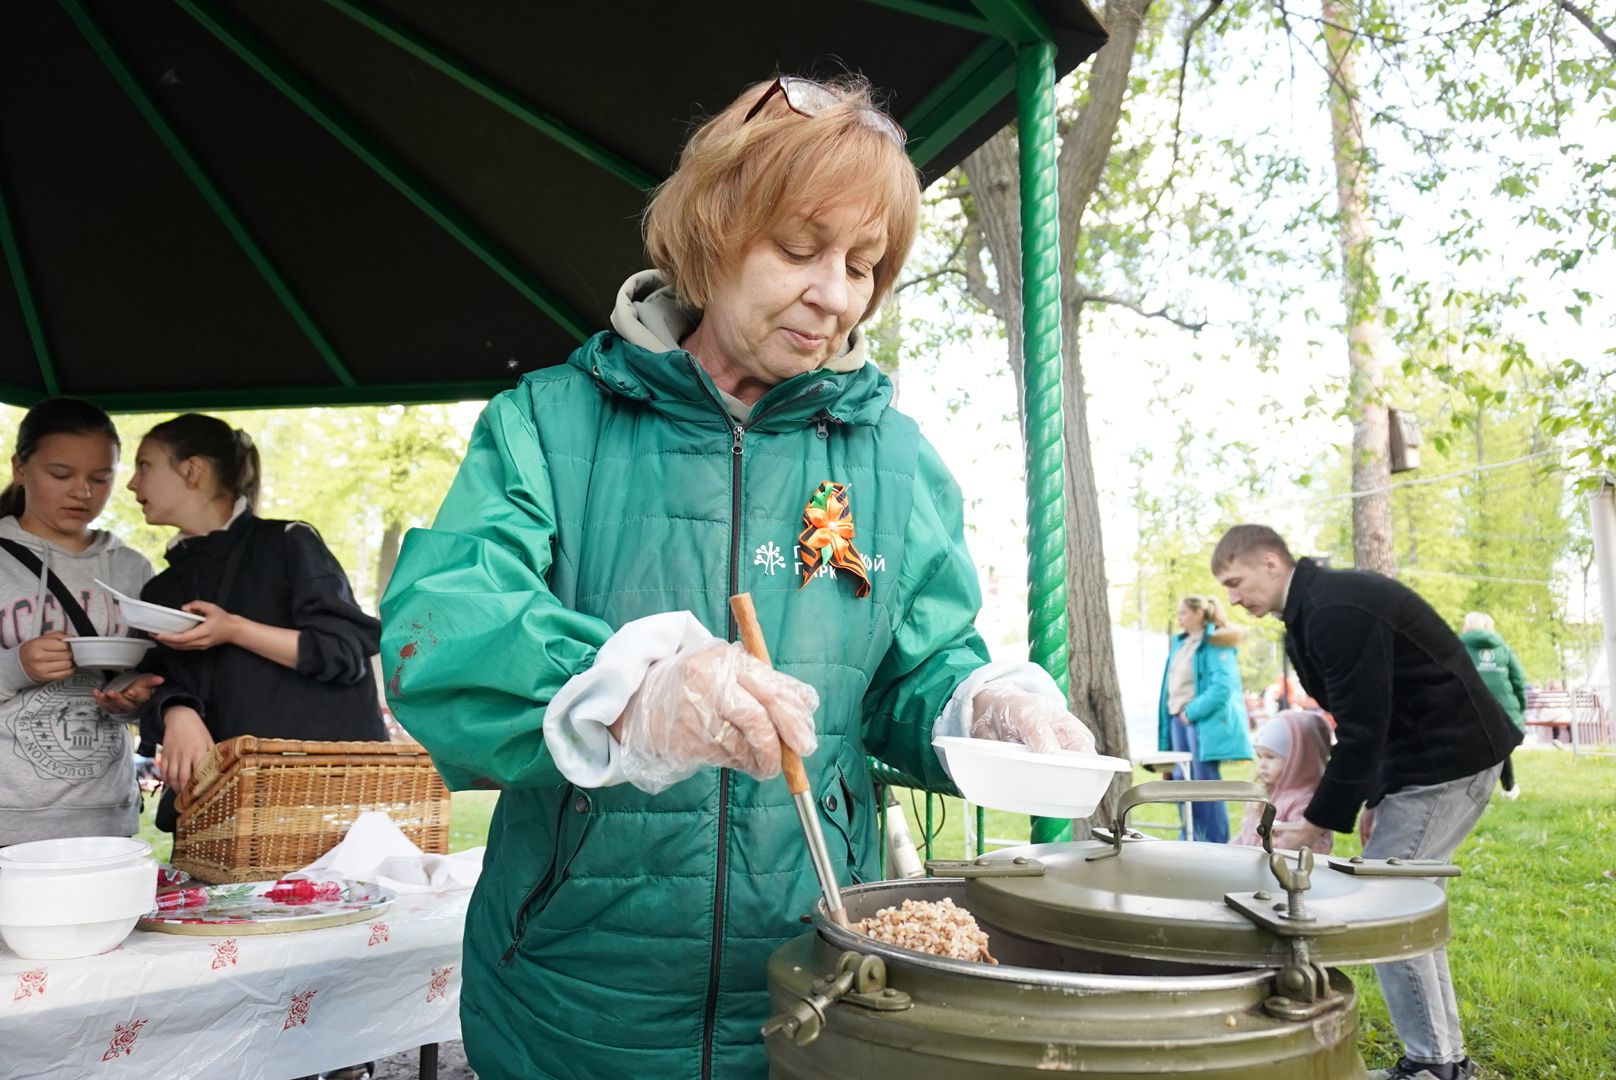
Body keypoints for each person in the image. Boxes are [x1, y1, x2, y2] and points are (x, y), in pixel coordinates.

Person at [380, 75, 1097, 1079]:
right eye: (799, 249)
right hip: (576, 1001)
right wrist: (630, 695)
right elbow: (442, 632)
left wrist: (980, 709)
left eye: (862, 265)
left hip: (819, 982)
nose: (833, 294)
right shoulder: (546, 422)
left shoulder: (894, 460)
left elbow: (911, 673)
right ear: (711, 233)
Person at [1212, 524, 1520, 1080]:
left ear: (1270, 563)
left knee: (1389, 904)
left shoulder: (1335, 609)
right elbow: (1376, 711)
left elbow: (1363, 728)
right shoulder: (1312, 611)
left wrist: (1315, 822)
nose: (1232, 598)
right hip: (1424, 761)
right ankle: (1442, 1061)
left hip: (1449, 760)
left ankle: (1435, 1066)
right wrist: (1378, 794)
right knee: (1410, 905)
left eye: (1235, 582)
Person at [128, 413, 388, 833]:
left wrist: (234, 629)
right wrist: (176, 710)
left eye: (144, 465)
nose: (131, 484)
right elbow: (157, 679)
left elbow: (342, 651)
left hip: (325, 806)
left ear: (192, 470)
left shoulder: (288, 543)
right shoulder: (161, 588)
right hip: (218, 813)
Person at [0, 398, 161, 846]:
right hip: (7, 816)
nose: (83, 492)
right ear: (20, 469)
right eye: (61, 475)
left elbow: (152, 674)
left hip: (107, 816)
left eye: (100, 478)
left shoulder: (132, 568)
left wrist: (134, 699)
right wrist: (17, 666)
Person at [1156, 595, 1254, 843]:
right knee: (1182, 780)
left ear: (1198, 614)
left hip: (1198, 722)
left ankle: (1214, 841)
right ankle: (1190, 836)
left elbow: (1222, 687)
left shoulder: (1216, 642)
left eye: (1183, 613)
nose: (1179, 618)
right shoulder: (1181, 643)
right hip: (1177, 718)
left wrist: (1192, 712)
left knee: (1204, 782)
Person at [1235, 709, 1333, 854]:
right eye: (1259, 756)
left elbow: (1311, 852)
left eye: (1270, 757)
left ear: (1298, 760)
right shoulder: (1263, 794)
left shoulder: (1304, 804)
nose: (1262, 765)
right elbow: (1245, 836)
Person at [1458, 611, 1527, 799]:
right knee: (1500, 749)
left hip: (1469, 709)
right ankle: (1509, 788)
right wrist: (1521, 707)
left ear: (1467, 626)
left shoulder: (1457, 648)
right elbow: (1518, 681)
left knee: (1473, 749)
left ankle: (1473, 794)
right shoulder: (1504, 649)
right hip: (1503, 711)